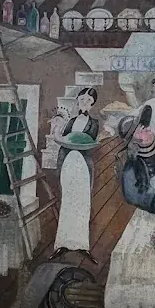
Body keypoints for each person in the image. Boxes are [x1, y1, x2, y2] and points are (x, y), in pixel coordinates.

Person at [54, 88, 99, 254]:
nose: (84, 102)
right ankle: (62, 243)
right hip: (68, 162)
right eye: (82, 99)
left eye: (88, 100)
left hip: (82, 165)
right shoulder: (71, 121)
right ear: (78, 100)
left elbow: (89, 140)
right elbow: (64, 139)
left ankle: (82, 245)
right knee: (67, 201)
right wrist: (58, 129)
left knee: (82, 203)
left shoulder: (93, 123)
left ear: (93, 104)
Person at [117, 115, 155, 215]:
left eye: (146, 127)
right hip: (147, 208)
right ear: (134, 140)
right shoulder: (132, 165)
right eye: (142, 130)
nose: (149, 129)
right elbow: (131, 195)